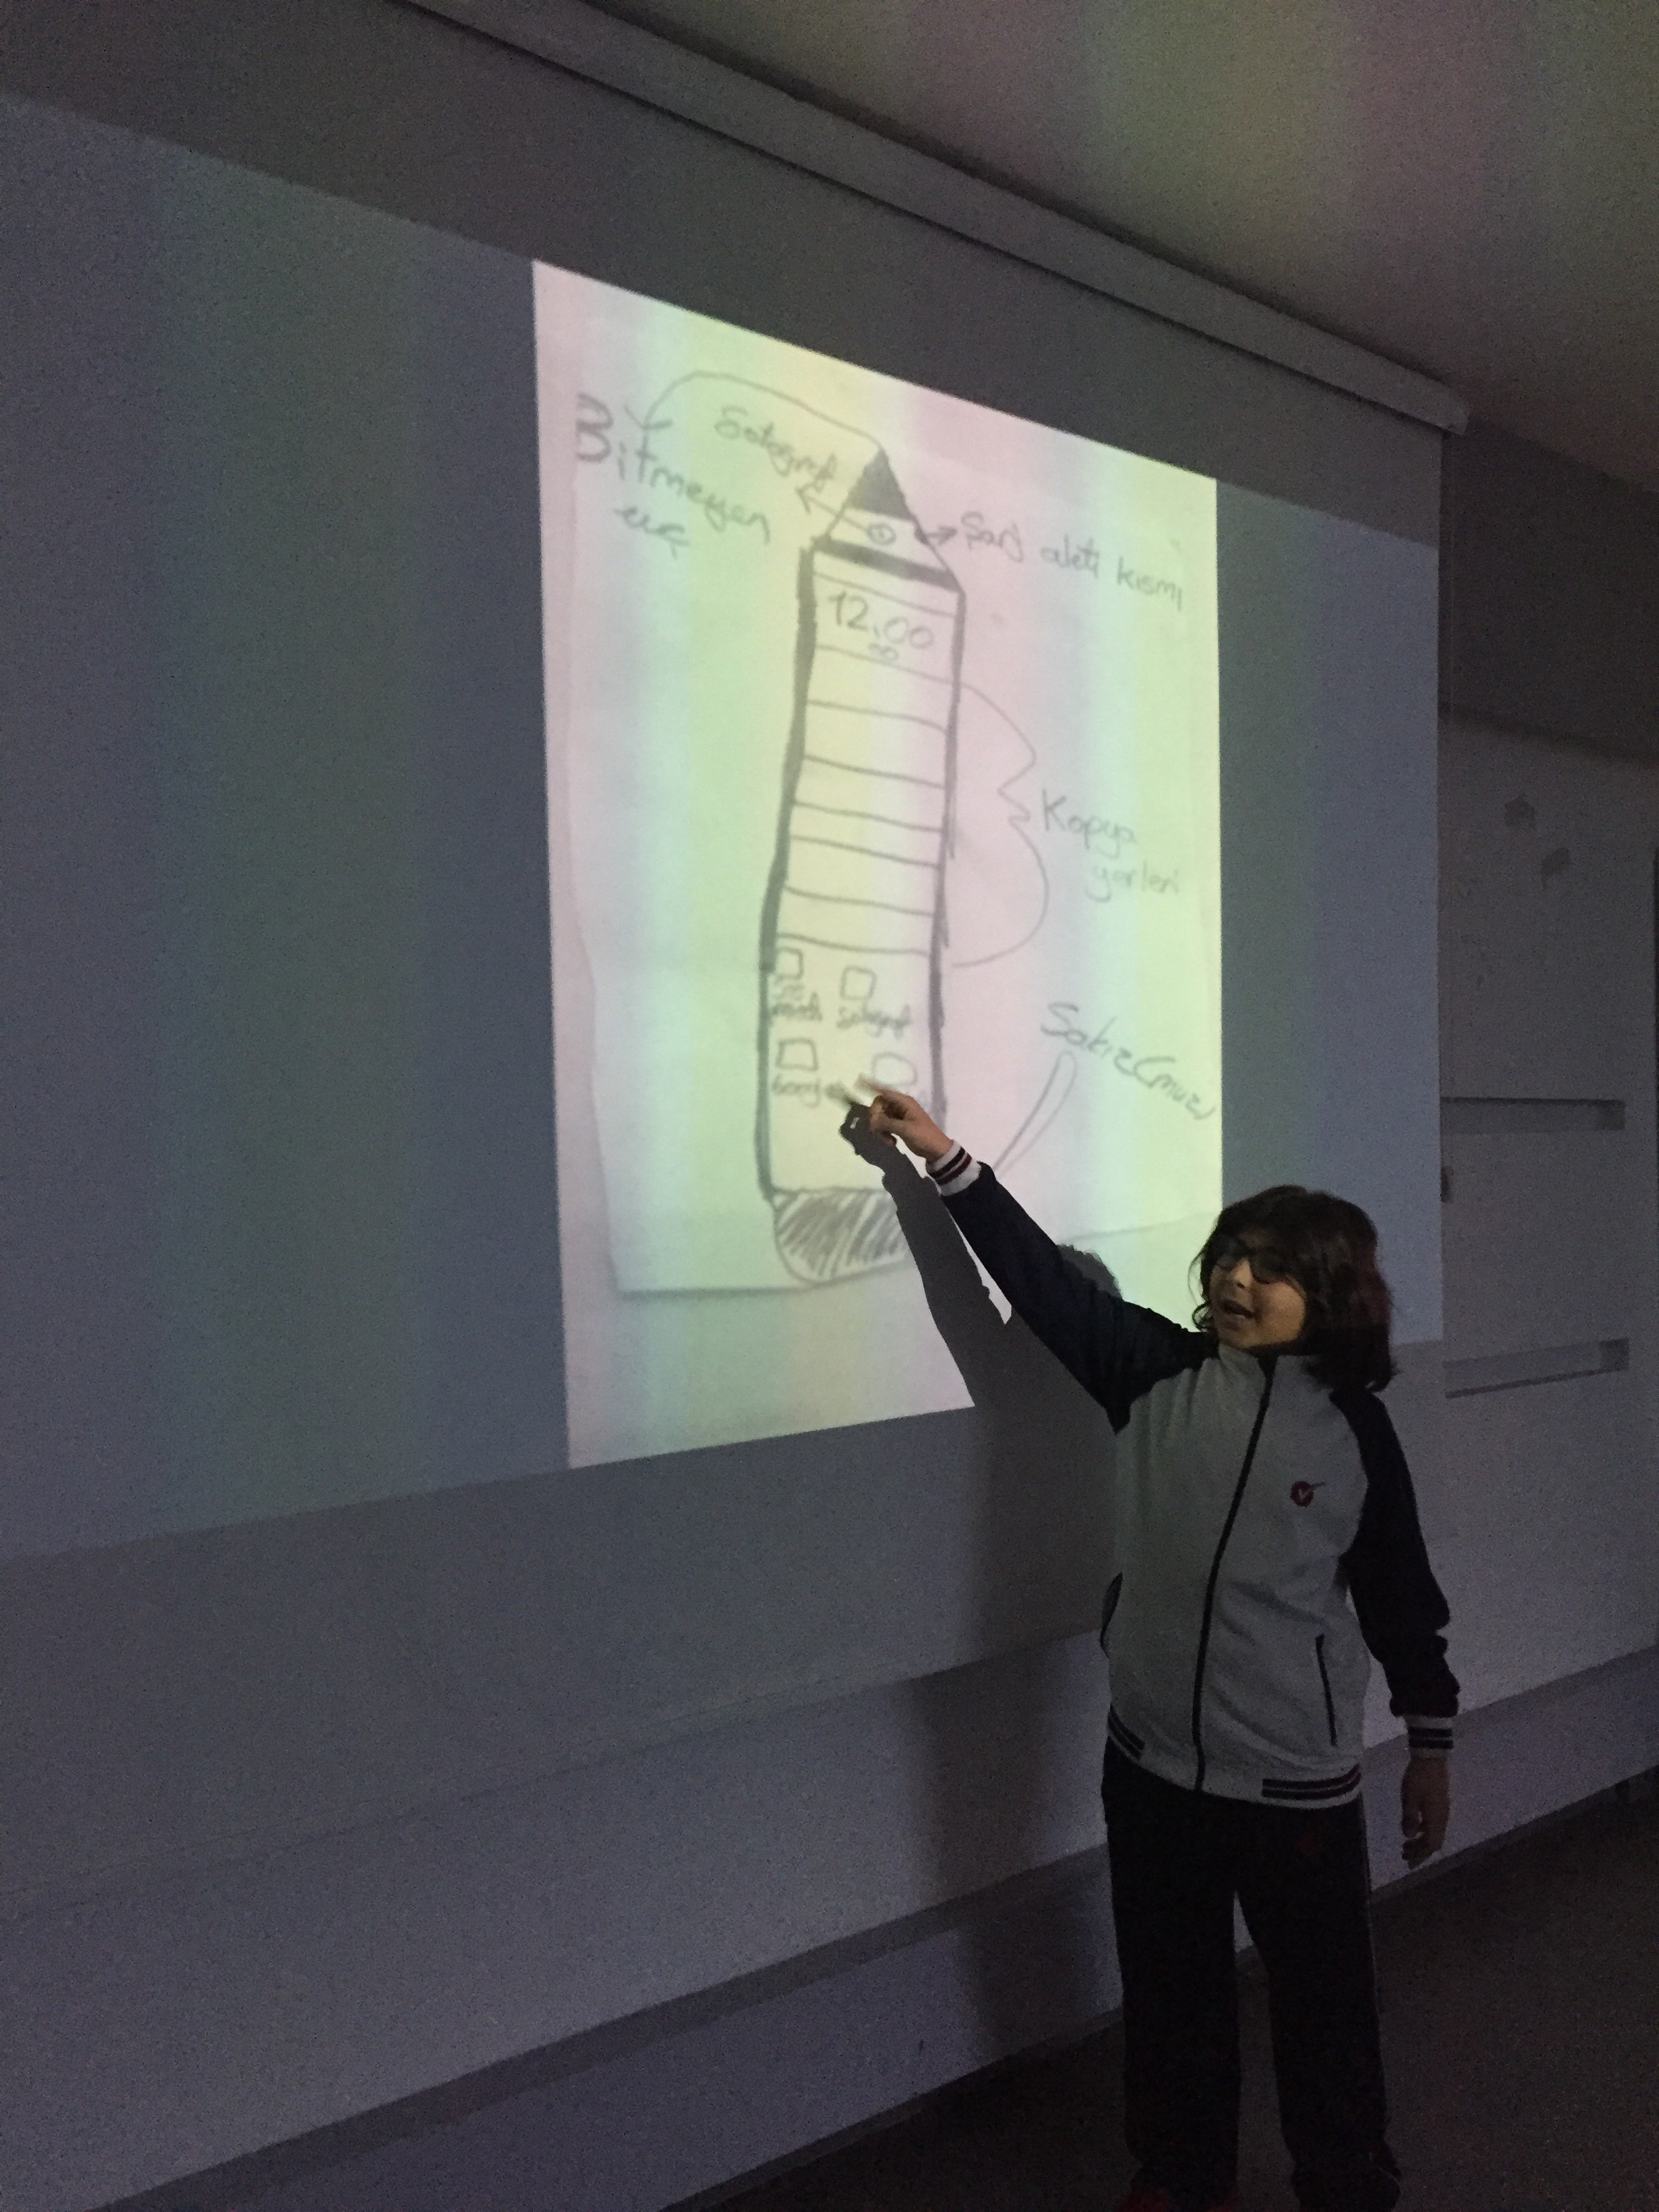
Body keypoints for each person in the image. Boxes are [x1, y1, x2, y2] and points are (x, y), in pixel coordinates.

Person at [864, 1087, 1458, 2212]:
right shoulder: (1155, 1374)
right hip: (1151, 1768)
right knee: (1172, 1995)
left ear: (1329, 1295)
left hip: (1292, 1784)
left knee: (1324, 2005)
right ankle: (1182, 2179)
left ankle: (1345, 2181)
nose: (1236, 1279)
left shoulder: (1357, 1435)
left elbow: (1400, 1597)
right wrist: (939, 1159)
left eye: (1271, 1268)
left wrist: (1431, 1744)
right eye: (1229, 1256)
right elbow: (1037, 1281)